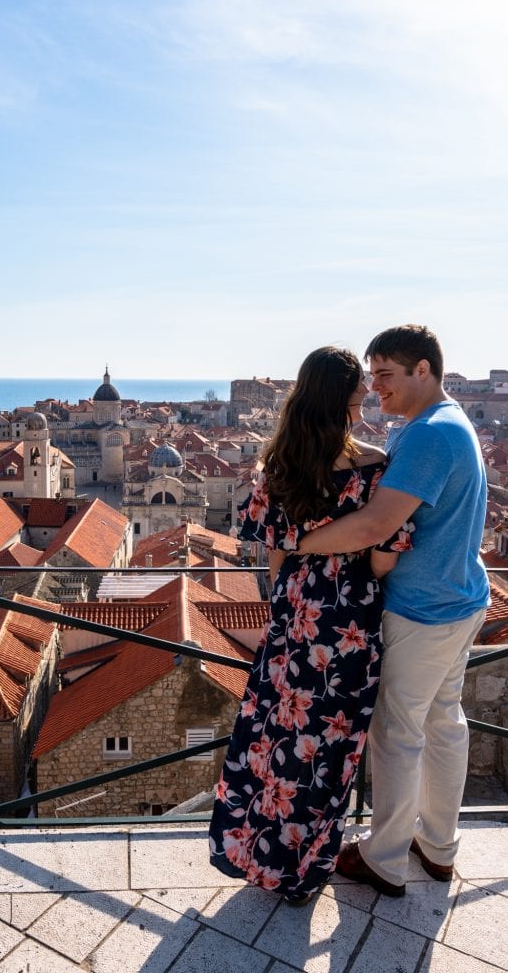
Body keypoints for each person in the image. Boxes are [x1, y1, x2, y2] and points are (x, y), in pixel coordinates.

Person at [208, 346, 413, 904]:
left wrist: (287, 607)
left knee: (277, 739)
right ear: (344, 400)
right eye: (358, 397)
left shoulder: (280, 465)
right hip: (350, 621)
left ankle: (263, 857)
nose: (364, 403)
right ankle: (306, 868)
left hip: (295, 615)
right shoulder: (375, 466)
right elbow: (383, 555)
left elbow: (275, 558)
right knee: (329, 747)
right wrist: (357, 570)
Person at [296, 325, 490, 897]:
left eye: (385, 374)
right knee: (443, 724)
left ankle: (383, 859)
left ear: (423, 370)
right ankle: (437, 847)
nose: (374, 386)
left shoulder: (429, 434)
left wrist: (300, 545)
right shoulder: (449, 423)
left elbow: (379, 523)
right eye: (370, 374)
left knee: (398, 732)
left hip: (422, 609)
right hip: (460, 599)